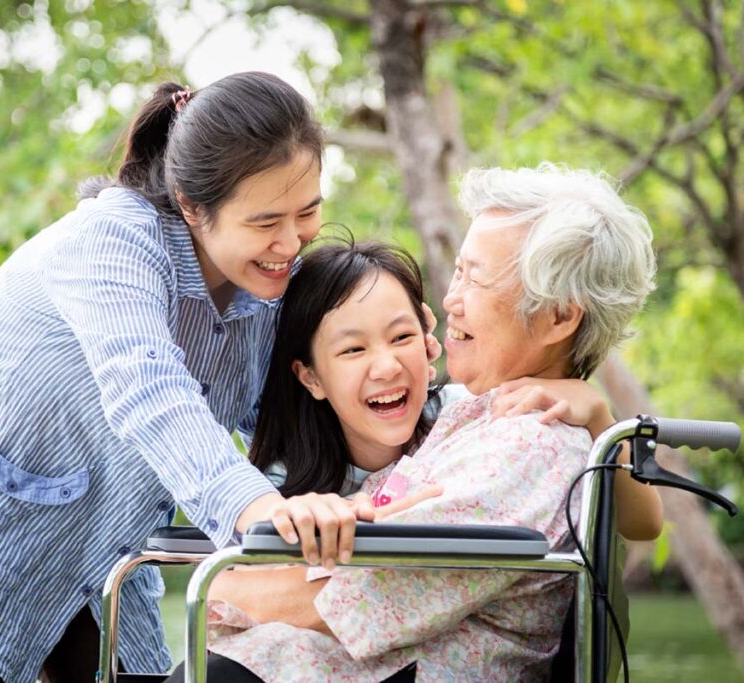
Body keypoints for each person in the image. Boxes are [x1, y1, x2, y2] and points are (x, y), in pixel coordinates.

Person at [0, 72, 377, 683]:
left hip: (98, 547)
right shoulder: (113, 238)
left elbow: (299, 413)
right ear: (191, 204)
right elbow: (148, 390)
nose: (290, 243)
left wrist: (436, 398)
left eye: (308, 211)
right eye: (265, 222)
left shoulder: (269, 287)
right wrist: (256, 508)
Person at [168, 164, 659, 682]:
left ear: (559, 317)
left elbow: (352, 599)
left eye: (475, 277)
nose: (450, 300)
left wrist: (225, 586)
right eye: (458, 272)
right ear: (310, 376)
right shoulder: (473, 414)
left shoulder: (527, 449)